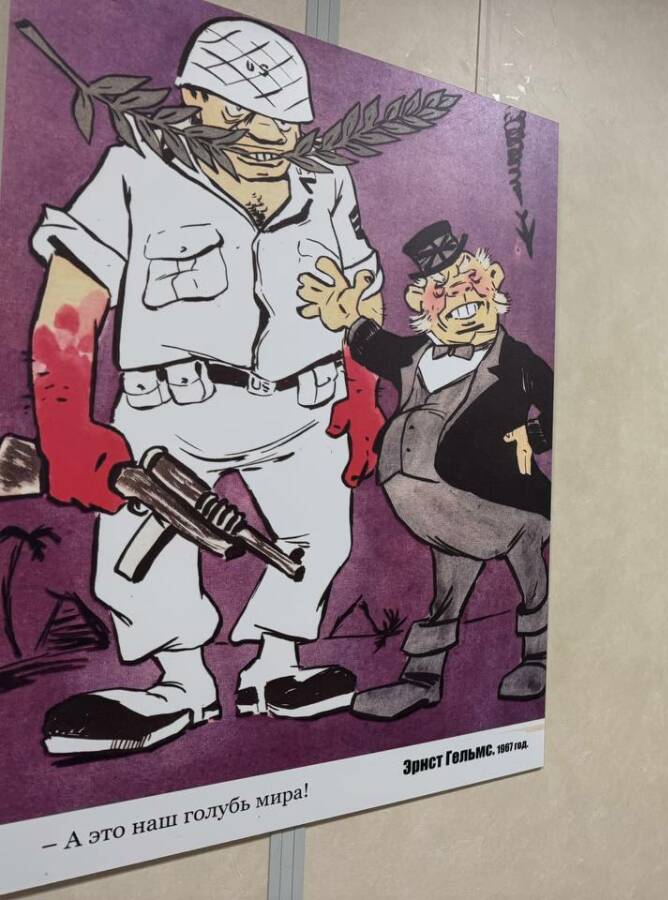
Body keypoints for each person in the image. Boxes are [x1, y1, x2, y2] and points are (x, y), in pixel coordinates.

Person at [35, 18, 386, 755]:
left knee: (319, 534)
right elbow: (72, 302)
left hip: (305, 405)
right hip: (171, 410)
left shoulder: (326, 185)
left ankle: (277, 666)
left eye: (284, 122)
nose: (268, 136)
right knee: (141, 549)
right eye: (243, 114)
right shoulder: (135, 173)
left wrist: (361, 396)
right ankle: (180, 683)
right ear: (193, 97)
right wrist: (66, 427)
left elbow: (358, 298)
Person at [295, 221, 553, 720]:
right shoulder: (415, 356)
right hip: (440, 508)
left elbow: (565, 407)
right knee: (446, 591)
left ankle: (539, 656)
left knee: (530, 573)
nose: (461, 296)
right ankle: (421, 680)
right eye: (443, 289)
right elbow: (372, 345)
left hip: (503, 501)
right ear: (422, 304)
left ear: (493, 284)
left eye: (471, 281)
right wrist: (348, 315)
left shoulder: (516, 362)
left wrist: (531, 438)